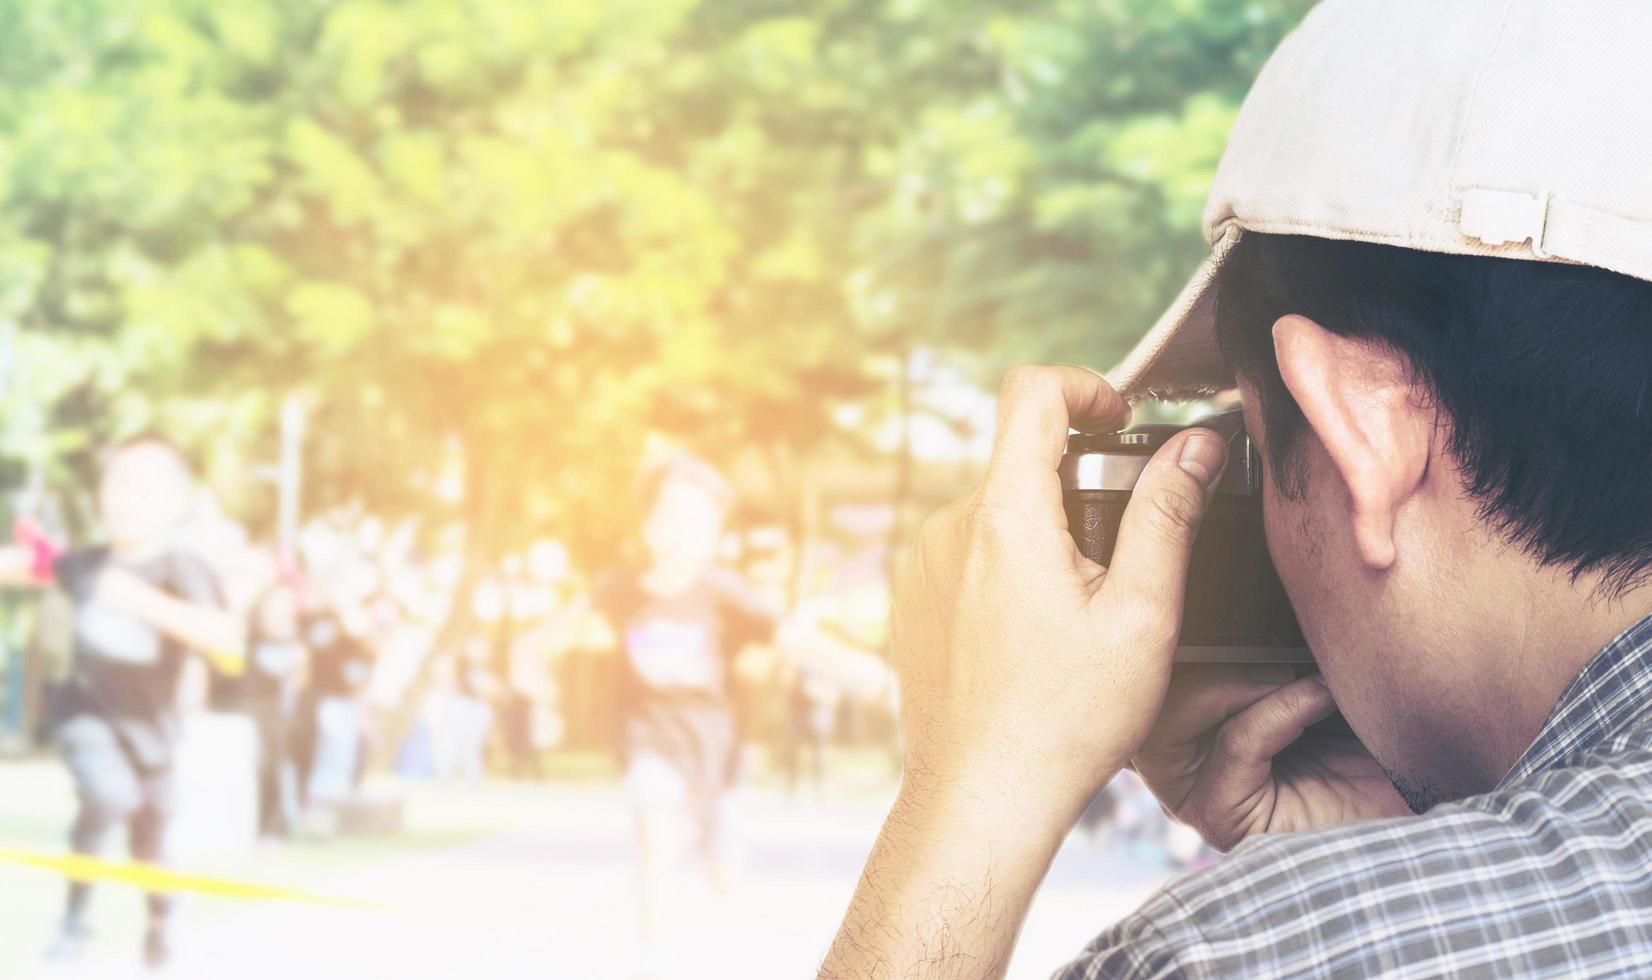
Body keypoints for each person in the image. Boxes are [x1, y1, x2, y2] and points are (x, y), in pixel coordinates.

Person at [821, 3, 1652, 977]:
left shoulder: (1253, 951)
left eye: (1256, 446)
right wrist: (1452, 807)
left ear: (1365, 430)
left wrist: (971, 787)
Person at [0, 435, 244, 969]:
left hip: (152, 730)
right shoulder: (87, 564)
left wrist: (146, 603)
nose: (125, 500)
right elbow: (28, 566)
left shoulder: (183, 568)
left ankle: (160, 923)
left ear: (173, 503)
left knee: (150, 834)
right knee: (107, 794)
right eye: (117, 485)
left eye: (143, 488)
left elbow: (225, 638)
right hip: (85, 715)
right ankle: (73, 923)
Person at [577, 455, 782, 962]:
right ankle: (652, 953)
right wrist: (529, 655)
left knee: (724, 874)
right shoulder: (619, 592)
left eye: (698, 520)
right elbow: (567, 625)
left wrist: (860, 675)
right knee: (654, 837)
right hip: (648, 734)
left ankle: (715, 850)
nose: (681, 532)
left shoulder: (726, 592)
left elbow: (788, 636)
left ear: (715, 532)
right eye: (670, 517)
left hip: (717, 748)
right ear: (647, 526)